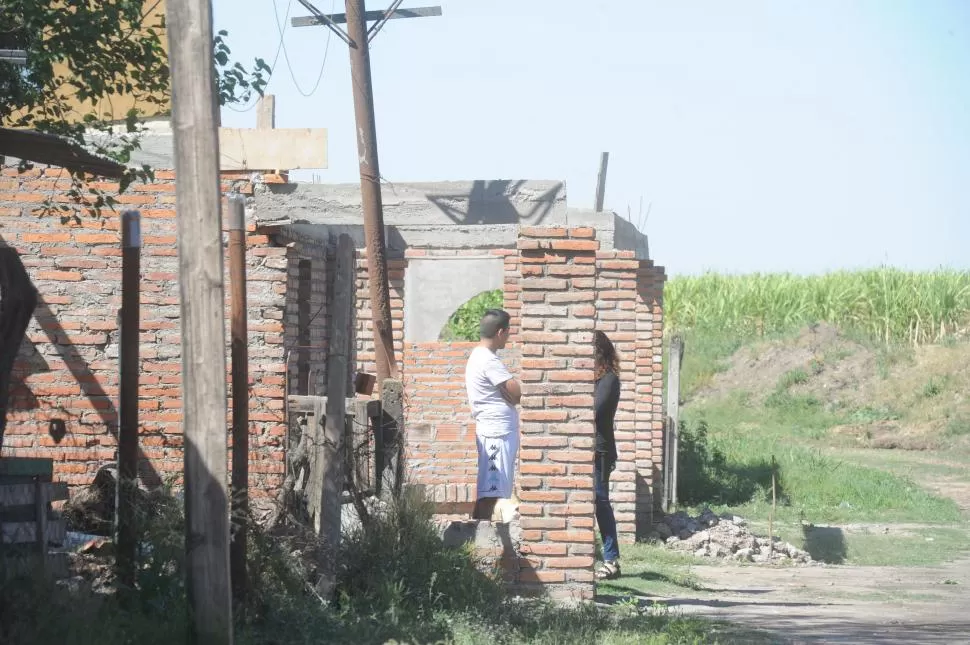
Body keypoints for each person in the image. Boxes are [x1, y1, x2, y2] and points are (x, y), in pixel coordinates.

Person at [465, 308, 521, 520]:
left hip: (497, 432)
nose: (508, 337)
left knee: (493, 489)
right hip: (496, 433)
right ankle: (479, 538)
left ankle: (481, 537)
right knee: (492, 491)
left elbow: (511, 392)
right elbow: (515, 391)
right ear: (500, 332)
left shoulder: (481, 356)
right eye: (508, 332)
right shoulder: (487, 360)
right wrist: (513, 392)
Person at [593, 330, 622, 580]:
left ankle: (611, 559)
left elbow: (595, 411)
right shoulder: (592, 380)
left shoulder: (609, 380)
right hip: (586, 450)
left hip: (600, 451)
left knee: (600, 502)